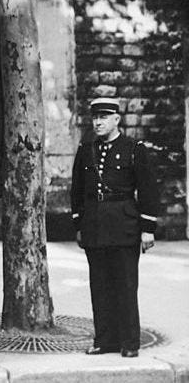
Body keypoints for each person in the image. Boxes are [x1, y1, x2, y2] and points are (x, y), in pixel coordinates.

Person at [70, 98, 160, 359]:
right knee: (99, 286)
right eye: (95, 117)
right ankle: (105, 340)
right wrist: (78, 224)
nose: (98, 122)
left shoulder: (133, 149)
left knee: (125, 285)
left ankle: (130, 342)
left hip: (124, 225)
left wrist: (148, 228)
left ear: (117, 119)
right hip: (95, 225)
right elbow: (77, 189)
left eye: (104, 117)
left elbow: (148, 189)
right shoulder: (86, 149)